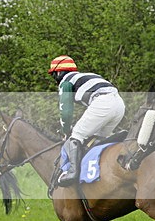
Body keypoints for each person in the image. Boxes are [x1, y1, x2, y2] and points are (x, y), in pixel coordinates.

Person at [48, 55, 126, 187]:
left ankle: (72, 172)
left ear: (59, 72)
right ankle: (101, 170)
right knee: (98, 139)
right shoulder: (86, 76)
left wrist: (66, 130)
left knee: (76, 135)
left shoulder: (66, 82)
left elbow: (66, 111)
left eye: (54, 75)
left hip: (102, 102)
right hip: (119, 104)